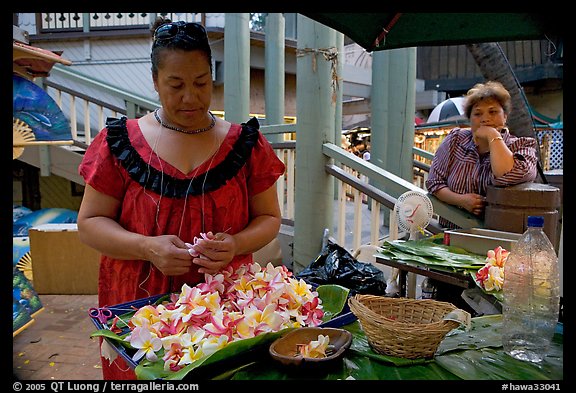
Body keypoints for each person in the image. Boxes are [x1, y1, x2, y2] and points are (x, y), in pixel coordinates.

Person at [77, 17, 285, 380]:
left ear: (212, 76)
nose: (190, 97)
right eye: (175, 85)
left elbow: (269, 218)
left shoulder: (245, 145)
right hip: (139, 312)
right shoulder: (119, 142)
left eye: (201, 82)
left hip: (227, 314)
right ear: (155, 82)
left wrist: (236, 243)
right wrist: (146, 247)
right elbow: (90, 224)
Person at [425, 81, 538, 229]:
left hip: (497, 239)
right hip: (451, 234)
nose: (485, 119)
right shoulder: (455, 140)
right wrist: (461, 200)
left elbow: (507, 174)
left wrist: (492, 136)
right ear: (470, 119)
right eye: (478, 114)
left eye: (493, 112)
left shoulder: (521, 146)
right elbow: (434, 183)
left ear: (505, 116)